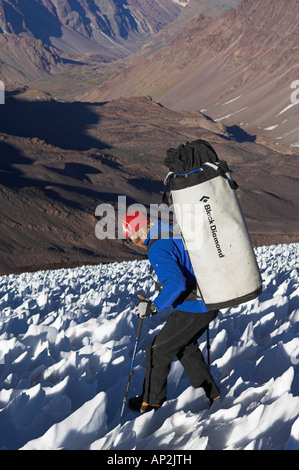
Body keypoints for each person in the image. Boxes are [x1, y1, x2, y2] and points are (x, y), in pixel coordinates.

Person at [122, 210, 220, 414]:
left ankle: (150, 402)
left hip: (193, 307)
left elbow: (176, 283)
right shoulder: (171, 233)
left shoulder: (157, 248)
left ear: (140, 230)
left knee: (156, 350)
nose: (134, 242)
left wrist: (153, 306)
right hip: (208, 300)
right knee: (185, 346)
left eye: (133, 236)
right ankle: (211, 394)